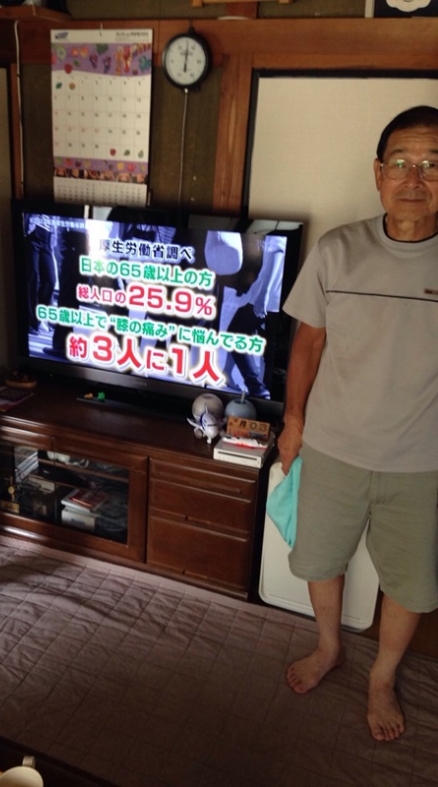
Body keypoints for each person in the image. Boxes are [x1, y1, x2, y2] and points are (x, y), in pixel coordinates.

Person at [277, 105, 438, 742]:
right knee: (321, 559)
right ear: (378, 173)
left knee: (410, 585)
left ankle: (382, 676)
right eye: (401, 162)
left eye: (432, 164)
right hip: (332, 448)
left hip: (421, 462)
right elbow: (308, 344)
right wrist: (293, 423)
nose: (414, 178)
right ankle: (328, 646)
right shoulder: (337, 250)